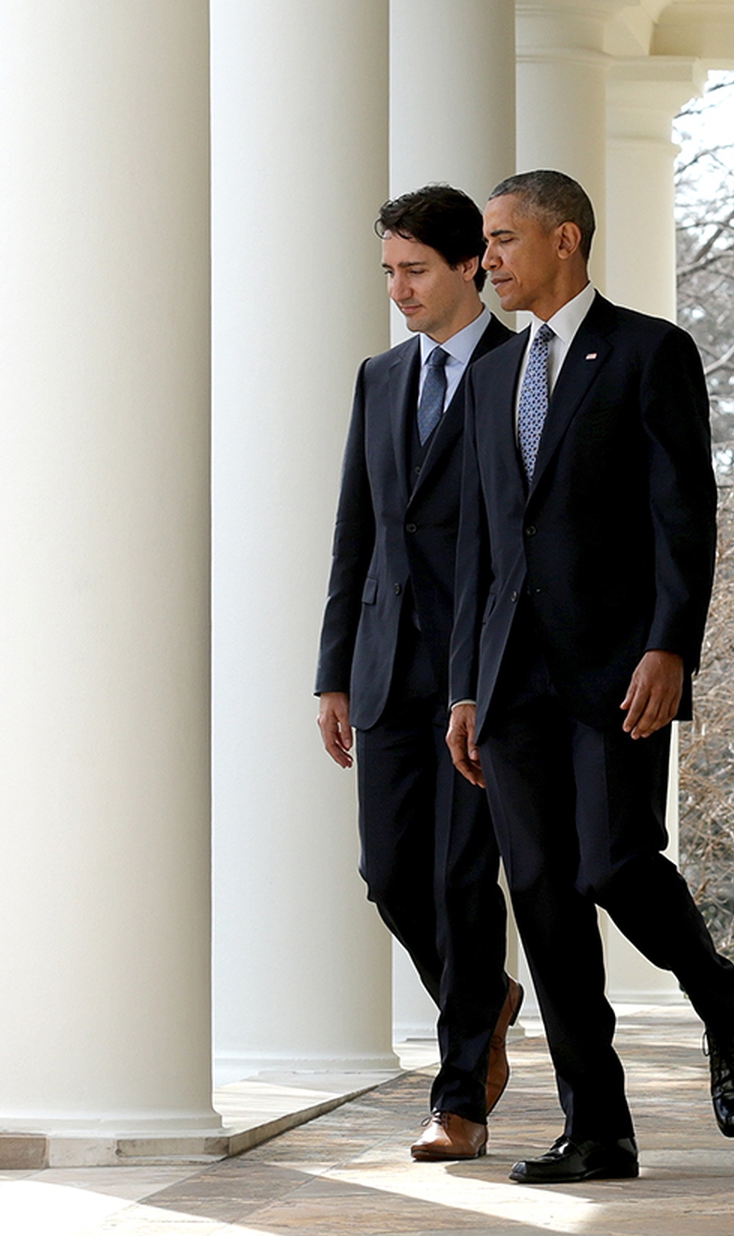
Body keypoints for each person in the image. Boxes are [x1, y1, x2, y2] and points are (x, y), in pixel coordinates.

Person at [446, 169, 734, 1185]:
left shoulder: (648, 353)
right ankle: (598, 1127)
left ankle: (724, 1000)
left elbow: (686, 514)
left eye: (501, 241)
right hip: (509, 680)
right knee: (540, 895)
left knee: (613, 864)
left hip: (619, 666)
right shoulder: (492, 376)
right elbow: (482, 549)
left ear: (565, 241)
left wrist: (671, 645)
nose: (487, 259)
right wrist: (464, 685)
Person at [316, 183, 523, 1163]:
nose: (398, 288)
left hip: (485, 669)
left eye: (415, 270)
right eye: (389, 272)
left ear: (471, 264)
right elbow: (356, 531)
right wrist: (332, 674)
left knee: (457, 879)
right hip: (385, 664)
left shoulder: (526, 371)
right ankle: (487, 1003)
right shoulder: (378, 377)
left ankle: (459, 1102)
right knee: (391, 875)